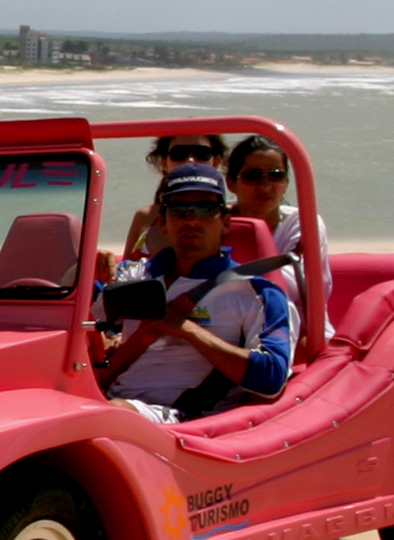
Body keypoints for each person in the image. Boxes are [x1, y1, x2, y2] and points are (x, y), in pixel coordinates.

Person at [95, 162, 292, 423]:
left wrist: (187, 330)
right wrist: (84, 272)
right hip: (108, 399)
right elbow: (77, 319)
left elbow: (271, 378)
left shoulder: (256, 292)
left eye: (205, 209)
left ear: (225, 223)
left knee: (112, 414)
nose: (192, 220)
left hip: (186, 417)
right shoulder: (134, 276)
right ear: (162, 224)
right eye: (179, 210)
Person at [225, 134, 331, 323]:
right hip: (226, 324)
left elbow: (296, 285)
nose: (265, 186)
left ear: (286, 184)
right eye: (253, 176)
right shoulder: (215, 221)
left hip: (299, 326)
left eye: (276, 176)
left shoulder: (304, 223)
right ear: (231, 183)